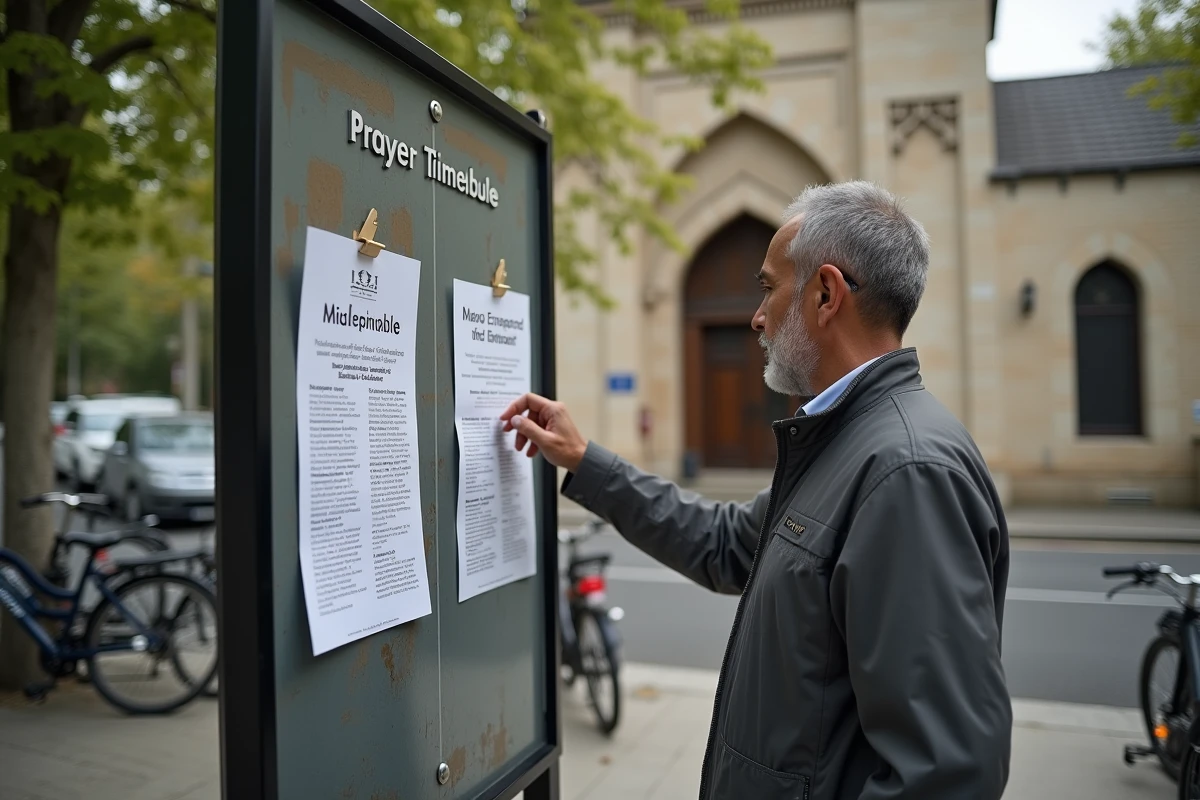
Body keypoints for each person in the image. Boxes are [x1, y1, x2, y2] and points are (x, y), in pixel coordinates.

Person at [500, 181, 1011, 799]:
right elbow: (725, 544)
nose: (757, 315)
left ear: (826, 294)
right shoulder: (845, 445)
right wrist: (585, 461)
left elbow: (944, 774)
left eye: (769, 286)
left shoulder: (906, 472)